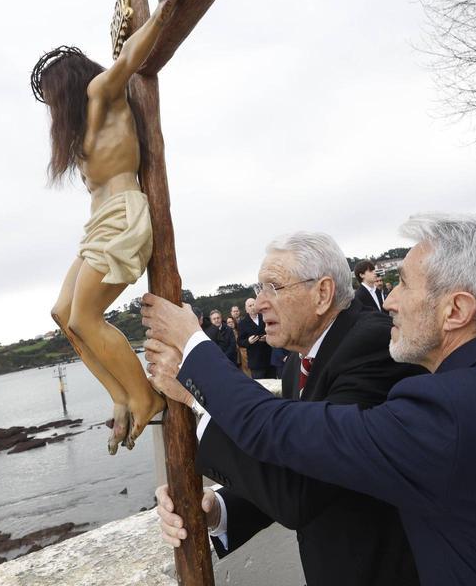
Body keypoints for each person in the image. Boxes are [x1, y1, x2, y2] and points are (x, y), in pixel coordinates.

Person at [144, 214, 476, 586]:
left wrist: (194, 357)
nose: (388, 301)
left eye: (403, 284)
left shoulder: (444, 409)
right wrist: (221, 511)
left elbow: (280, 432)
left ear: (456, 309)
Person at [148, 232, 422, 586]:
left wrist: (193, 379)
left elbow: (300, 492)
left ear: (322, 293)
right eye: (259, 289)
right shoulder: (298, 363)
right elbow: (293, 464)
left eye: (273, 288)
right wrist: (219, 511)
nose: (260, 303)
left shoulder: (373, 346)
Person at [29, 0, 182, 454]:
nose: (53, 111)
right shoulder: (80, 134)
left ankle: (146, 398)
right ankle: (120, 395)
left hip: (123, 214)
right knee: (64, 313)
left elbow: (132, 57)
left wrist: (163, 9)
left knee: (88, 315)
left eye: (53, 99)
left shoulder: (101, 94)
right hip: (99, 223)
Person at [237, 296, 274, 378]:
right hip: (255, 361)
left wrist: (267, 337)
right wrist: (248, 341)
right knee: (260, 386)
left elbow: (274, 332)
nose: (252, 307)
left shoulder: (265, 317)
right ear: (246, 310)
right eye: (249, 306)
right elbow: (240, 342)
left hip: (269, 358)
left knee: (273, 386)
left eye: (253, 304)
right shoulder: (242, 324)